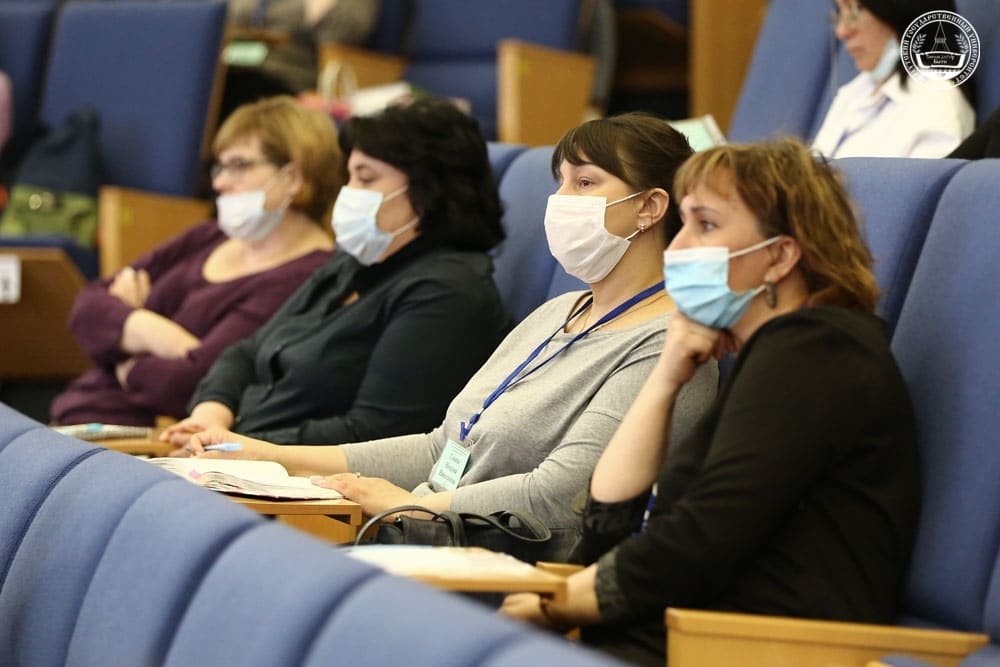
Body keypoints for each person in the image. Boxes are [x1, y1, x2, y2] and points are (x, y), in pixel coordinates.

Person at [180, 112, 718, 559]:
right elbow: (443, 447)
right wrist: (266, 455)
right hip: (419, 537)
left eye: (585, 183)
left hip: (497, 564)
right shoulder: (557, 312)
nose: (560, 200)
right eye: (560, 182)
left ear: (649, 207)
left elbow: (560, 496)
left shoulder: (667, 344)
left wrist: (404, 505)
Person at [500, 139, 921, 667]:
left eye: (705, 225)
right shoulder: (775, 353)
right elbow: (609, 523)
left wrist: (559, 604)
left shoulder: (819, 351)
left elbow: (700, 541)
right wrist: (665, 379)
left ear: (779, 256)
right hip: (690, 636)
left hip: (756, 649)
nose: (676, 248)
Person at [161, 98, 512, 448]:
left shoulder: (448, 291)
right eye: (349, 176)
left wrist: (237, 446)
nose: (348, 192)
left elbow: (374, 435)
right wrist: (211, 416)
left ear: (428, 190)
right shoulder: (355, 263)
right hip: (240, 456)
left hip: (296, 476)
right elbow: (247, 352)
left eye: (366, 178)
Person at [50, 97, 338, 427]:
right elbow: (86, 307)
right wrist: (152, 331)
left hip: (147, 438)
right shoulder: (209, 235)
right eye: (220, 167)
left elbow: (191, 384)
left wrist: (122, 347)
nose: (219, 182)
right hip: (78, 410)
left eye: (239, 165)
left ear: (293, 177)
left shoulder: (310, 273)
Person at [812, 0, 974, 158]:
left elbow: (923, 178)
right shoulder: (854, 91)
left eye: (856, 10)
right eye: (841, 13)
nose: (841, 31)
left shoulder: (937, 104)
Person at [220, 0, 379, 120]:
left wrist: (323, 11)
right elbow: (225, 14)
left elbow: (347, 30)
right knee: (219, 79)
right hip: (236, 63)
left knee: (234, 86)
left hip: (290, 77)